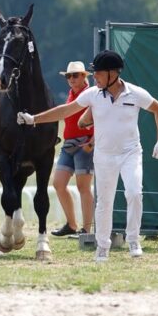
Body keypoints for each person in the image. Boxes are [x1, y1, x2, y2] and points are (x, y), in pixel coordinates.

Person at [16, 50, 158, 262]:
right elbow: (65, 110)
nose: (94, 76)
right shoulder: (93, 94)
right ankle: (102, 247)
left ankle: (134, 240)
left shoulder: (135, 93)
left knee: (134, 193)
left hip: (130, 153)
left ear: (112, 73)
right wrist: (34, 119)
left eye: (98, 73)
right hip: (104, 155)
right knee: (104, 202)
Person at [50, 61, 95, 237]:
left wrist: (92, 142)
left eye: (75, 75)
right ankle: (71, 224)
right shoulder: (71, 93)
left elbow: (100, 117)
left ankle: (86, 229)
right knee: (58, 184)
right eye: (68, 76)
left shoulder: (91, 94)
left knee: (83, 187)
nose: (71, 79)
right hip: (68, 144)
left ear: (84, 76)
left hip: (84, 144)